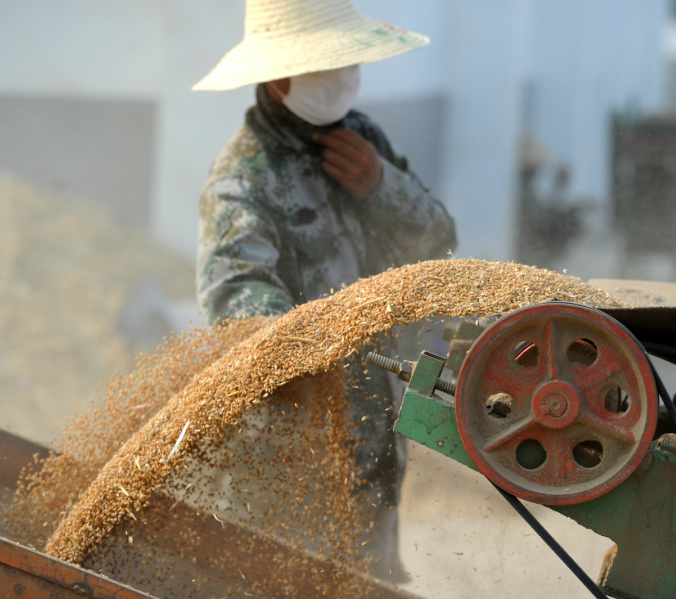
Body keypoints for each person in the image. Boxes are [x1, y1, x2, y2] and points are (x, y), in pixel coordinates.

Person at [193, 0, 457, 581]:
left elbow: (436, 236)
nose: (340, 78)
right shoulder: (242, 180)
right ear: (278, 74)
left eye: (346, 62)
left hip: (380, 434)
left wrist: (382, 186)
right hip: (301, 461)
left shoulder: (361, 137)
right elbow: (239, 307)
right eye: (322, 66)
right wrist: (312, 347)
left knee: (374, 578)